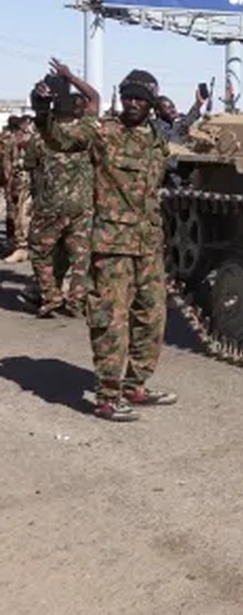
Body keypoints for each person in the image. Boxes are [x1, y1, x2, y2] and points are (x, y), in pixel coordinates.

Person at [39, 69, 171, 422]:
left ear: (151, 103)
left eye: (140, 98)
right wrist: (42, 109)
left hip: (148, 245)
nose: (132, 103)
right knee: (111, 321)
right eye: (128, 96)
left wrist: (179, 118)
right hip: (112, 245)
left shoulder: (157, 137)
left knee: (152, 317)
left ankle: (135, 384)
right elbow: (60, 139)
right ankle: (107, 396)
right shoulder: (104, 132)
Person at [26, 64, 98, 318]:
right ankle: (76, 300)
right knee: (81, 255)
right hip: (82, 204)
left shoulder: (39, 137)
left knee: (39, 250)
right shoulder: (87, 132)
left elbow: (31, 169)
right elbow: (95, 98)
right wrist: (70, 77)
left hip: (50, 204)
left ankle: (51, 296)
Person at [3, 114, 34, 263]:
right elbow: (8, 163)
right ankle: (18, 246)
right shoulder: (11, 139)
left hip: (26, 182)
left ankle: (23, 248)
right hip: (16, 181)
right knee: (16, 214)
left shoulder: (29, 139)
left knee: (23, 214)